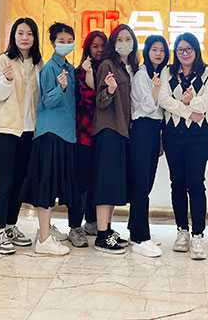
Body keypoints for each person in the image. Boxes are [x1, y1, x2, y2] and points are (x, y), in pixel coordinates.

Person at [158, 33, 208, 261]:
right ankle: (182, 231)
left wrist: (188, 102)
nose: (185, 53)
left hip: (198, 136)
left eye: (189, 49)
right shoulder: (167, 72)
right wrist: (187, 110)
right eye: (181, 49)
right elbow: (164, 99)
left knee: (196, 183)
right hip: (173, 134)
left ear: (196, 50)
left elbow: (206, 101)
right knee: (177, 182)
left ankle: (198, 235)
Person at [0, 18, 45, 255]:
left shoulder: (38, 63)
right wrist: (7, 79)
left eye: (29, 34)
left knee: (20, 180)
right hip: (6, 128)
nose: (25, 38)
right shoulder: (4, 60)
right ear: (13, 36)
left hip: (29, 130)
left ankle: (11, 225)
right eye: (20, 33)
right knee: (5, 181)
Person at [22, 23, 77, 256]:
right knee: (45, 186)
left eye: (69, 40)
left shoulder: (70, 68)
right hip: (50, 134)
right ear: (53, 43)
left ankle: (45, 231)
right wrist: (60, 88)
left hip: (65, 134)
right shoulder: (49, 69)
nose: (66, 44)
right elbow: (46, 101)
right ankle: (44, 239)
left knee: (55, 186)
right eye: (61, 40)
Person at [93, 24, 139, 254]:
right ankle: (102, 235)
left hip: (123, 130)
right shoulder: (107, 65)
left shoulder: (131, 67)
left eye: (128, 38)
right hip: (109, 129)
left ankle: (108, 230)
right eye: (119, 39)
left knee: (114, 183)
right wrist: (110, 90)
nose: (124, 43)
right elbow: (100, 101)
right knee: (106, 182)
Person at [128, 34, 169, 257]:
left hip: (155, 131)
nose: (158, 53)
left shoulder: (162, 74)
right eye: (154, 49)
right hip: (142, 129)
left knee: (147, 183)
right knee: (141, 185)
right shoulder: (141, 75)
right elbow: (147, 106)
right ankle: (140, 236)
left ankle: (136, 229)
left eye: (162, 50)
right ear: (147, 51)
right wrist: (155, 90)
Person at [68, 30, 106, 248]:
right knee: (80, 183)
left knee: (97, 182)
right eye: (94, 46)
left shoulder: (109, 70)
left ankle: (92, 222)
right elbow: (89, 101)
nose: (99, 50)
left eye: (102, 46)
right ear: (87, 48)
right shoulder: (79, 72)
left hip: (102, 137)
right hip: (83, 136)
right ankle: (75, 226)